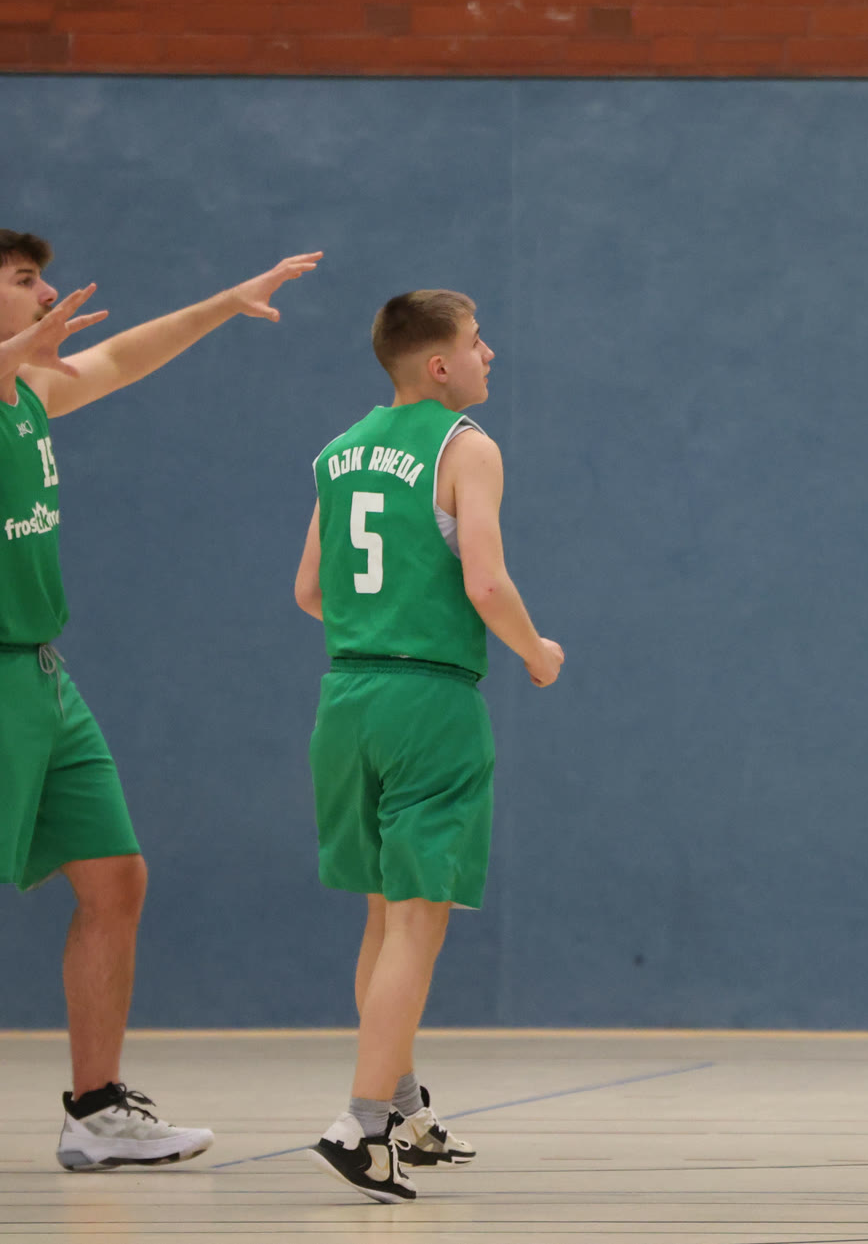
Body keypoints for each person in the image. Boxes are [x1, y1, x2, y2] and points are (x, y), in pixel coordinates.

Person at [1, 230, 320, 1170]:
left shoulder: (30, 395)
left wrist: (225, 301)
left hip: (42, 674)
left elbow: (121, 356)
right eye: (24, 280)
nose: (49, 293)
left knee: (115, 877)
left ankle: (96, 1111)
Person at [293, 290, 563, 1203]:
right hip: (428, 701)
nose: (492, 354)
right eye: (479, 342)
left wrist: (378, 622)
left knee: (383, 918)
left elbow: (310, 591)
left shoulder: (337, 452)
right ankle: (361, 1123)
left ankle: (403, 1105)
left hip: (346, 696)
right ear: (440, 364)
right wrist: (536, 651)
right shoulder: (466, 447)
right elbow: (485, 580)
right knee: (417, 921)